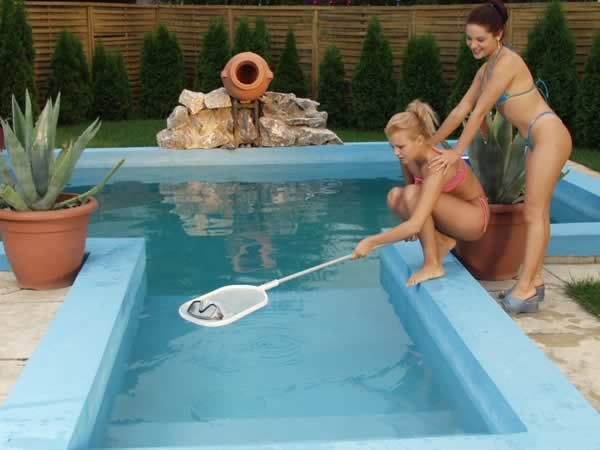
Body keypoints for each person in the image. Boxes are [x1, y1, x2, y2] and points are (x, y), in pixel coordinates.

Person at [427, 0, 572, 313]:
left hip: (549, 135)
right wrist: (431, 142)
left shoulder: (508, 62)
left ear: (498, 35)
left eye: (480, 39)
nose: (473, 45)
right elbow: (462, 109)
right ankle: (534, 282)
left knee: (534, 213)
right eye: (469, 38)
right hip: (537, 138)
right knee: (539, 213)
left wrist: (456, 153)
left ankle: (526, 286)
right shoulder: (485, 70)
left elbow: (481, 110)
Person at [352, 100, 490, 287]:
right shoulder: (408, 158)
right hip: (448, 214)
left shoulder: (436, 165)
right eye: (392, 146)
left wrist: (371, 242)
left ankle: (432, 265)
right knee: (395, 196)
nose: (396, 153)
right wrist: (409, 224)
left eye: (401, 146)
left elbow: (416, 220)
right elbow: (411, 204)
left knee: (411, 194)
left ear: (419, 140)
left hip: (473, 218)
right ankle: (440, 240)